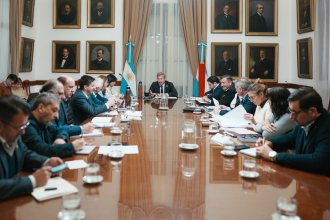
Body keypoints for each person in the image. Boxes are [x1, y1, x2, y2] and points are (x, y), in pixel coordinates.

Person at [256, 87, 330, 177]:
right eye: (290, 111)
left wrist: (273, 156)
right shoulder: (305, 120)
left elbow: (319, 161)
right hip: (304, 177)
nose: (291, 116)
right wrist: (270, 143)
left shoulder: (327, 126)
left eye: (294, 112)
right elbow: (291, 138)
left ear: (312, 111)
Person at [0, 95, 63, 201]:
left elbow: (24, 154)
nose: (23, 132)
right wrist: (32, 180)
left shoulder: (14, 134)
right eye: (20, 127)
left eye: (25, 125)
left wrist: (46, 162)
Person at [22, 93, 85, 158]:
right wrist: (72, 146)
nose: (57, 116)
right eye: (54, 110)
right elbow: (41, 150)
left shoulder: (44, 120)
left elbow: (60, 129)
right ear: (41, 108)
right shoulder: (27, 125)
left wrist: (60, 138)